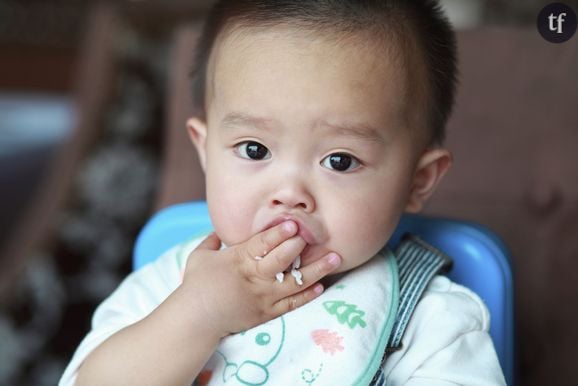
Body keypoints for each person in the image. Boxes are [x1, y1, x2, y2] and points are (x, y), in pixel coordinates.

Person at [60, 0, 506, 385]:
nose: (289, 193)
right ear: (206, 152)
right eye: (254, 149)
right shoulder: (165, 288)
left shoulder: (432, 322)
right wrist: (198, 313)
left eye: (340, 160)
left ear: (417, 181)